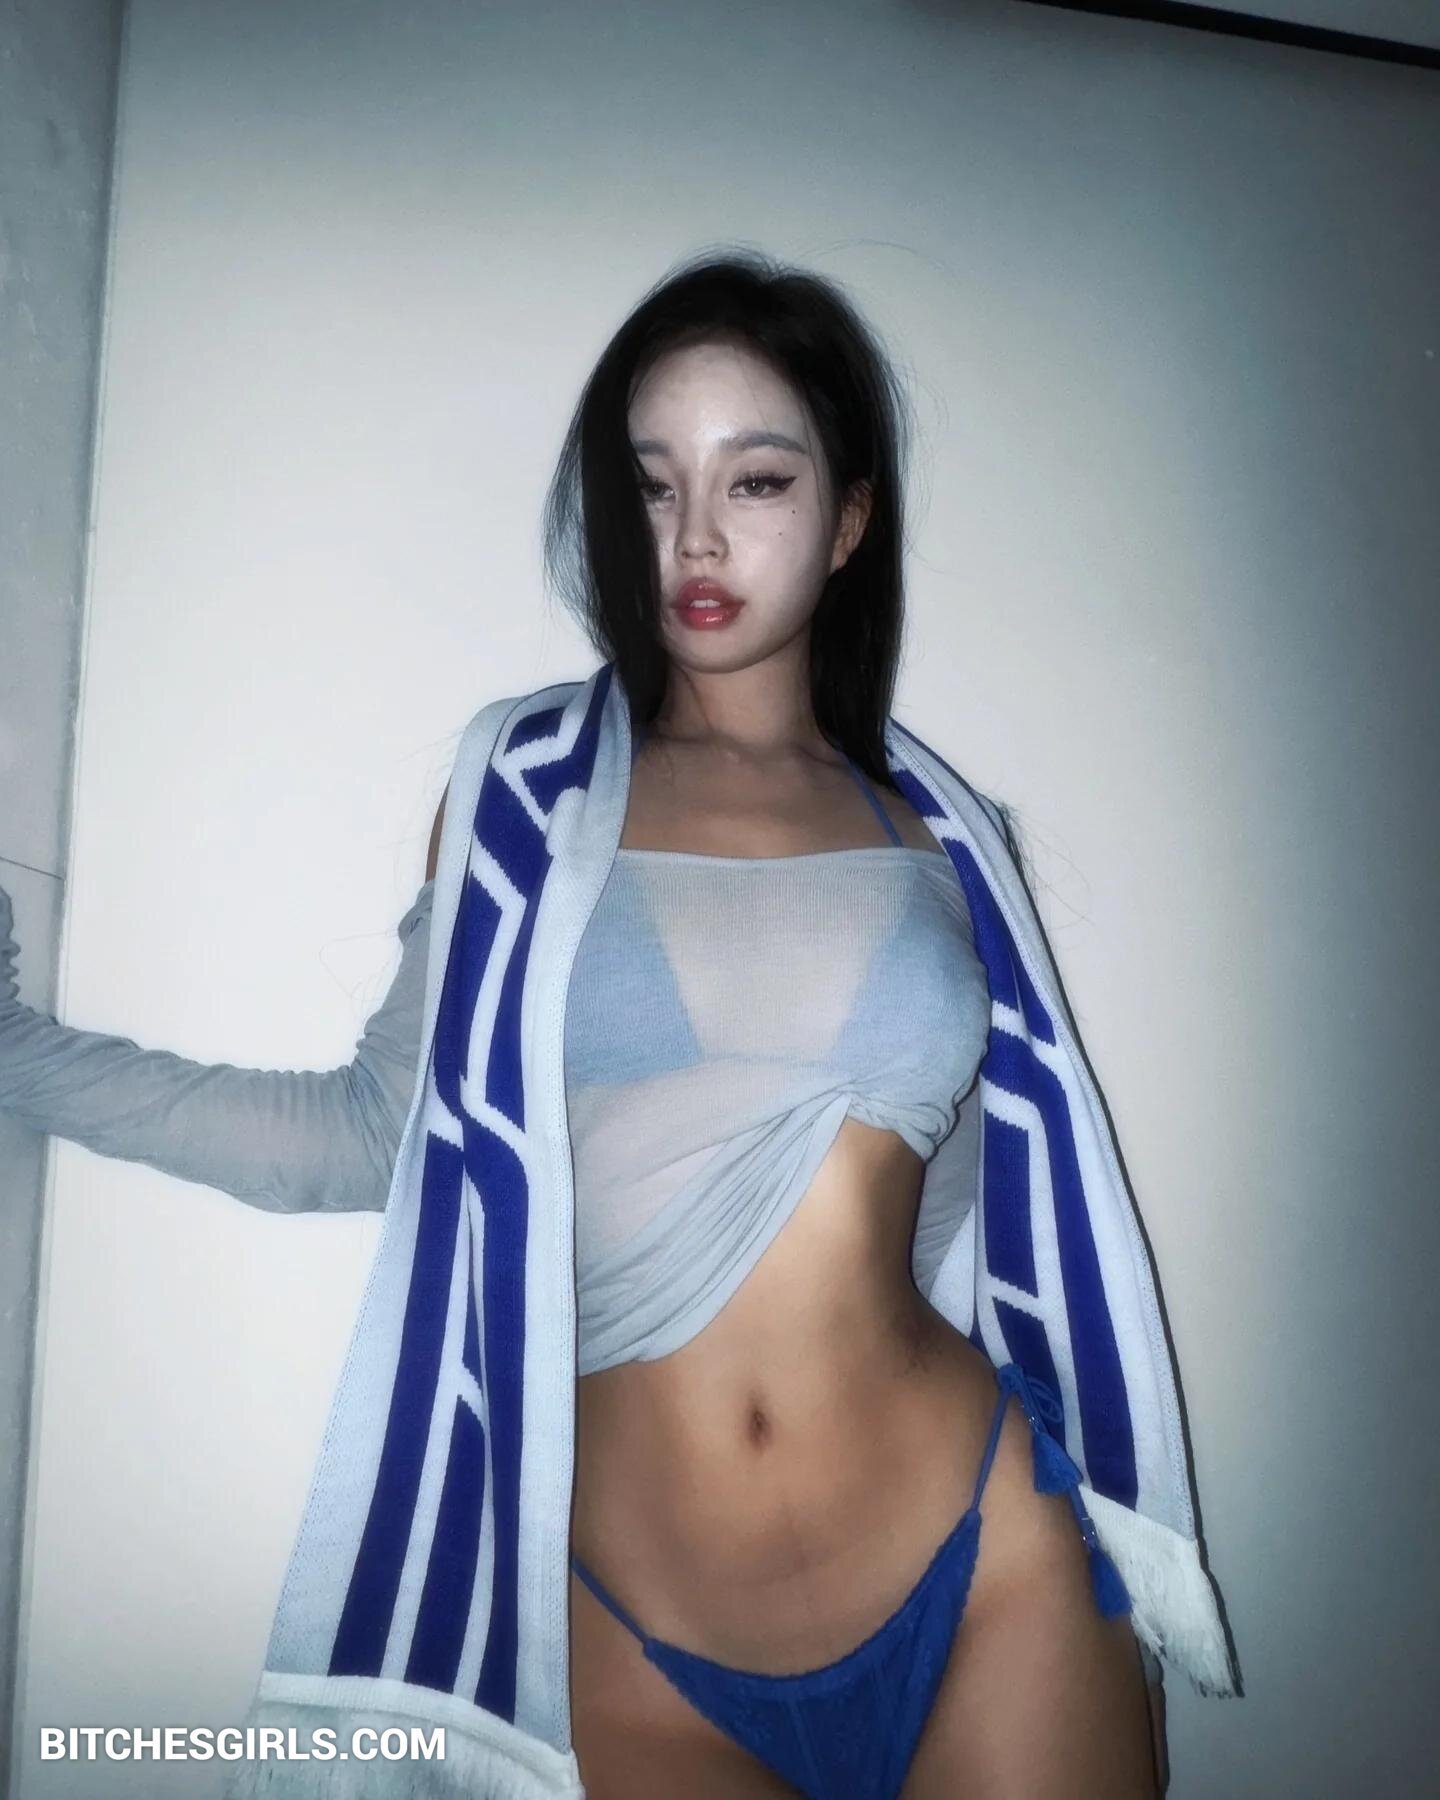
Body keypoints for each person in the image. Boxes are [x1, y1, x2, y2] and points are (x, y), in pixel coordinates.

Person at [1, 250, 1189, 1798]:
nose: (695, 535)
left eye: (757, 480)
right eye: (651, 482)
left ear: (848, 519)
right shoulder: (523, 804)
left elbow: (959, 1224)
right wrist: (17, 1056)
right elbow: (364, 1137)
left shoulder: (952, 842)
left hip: (987, 1565)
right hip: (632, 1633)